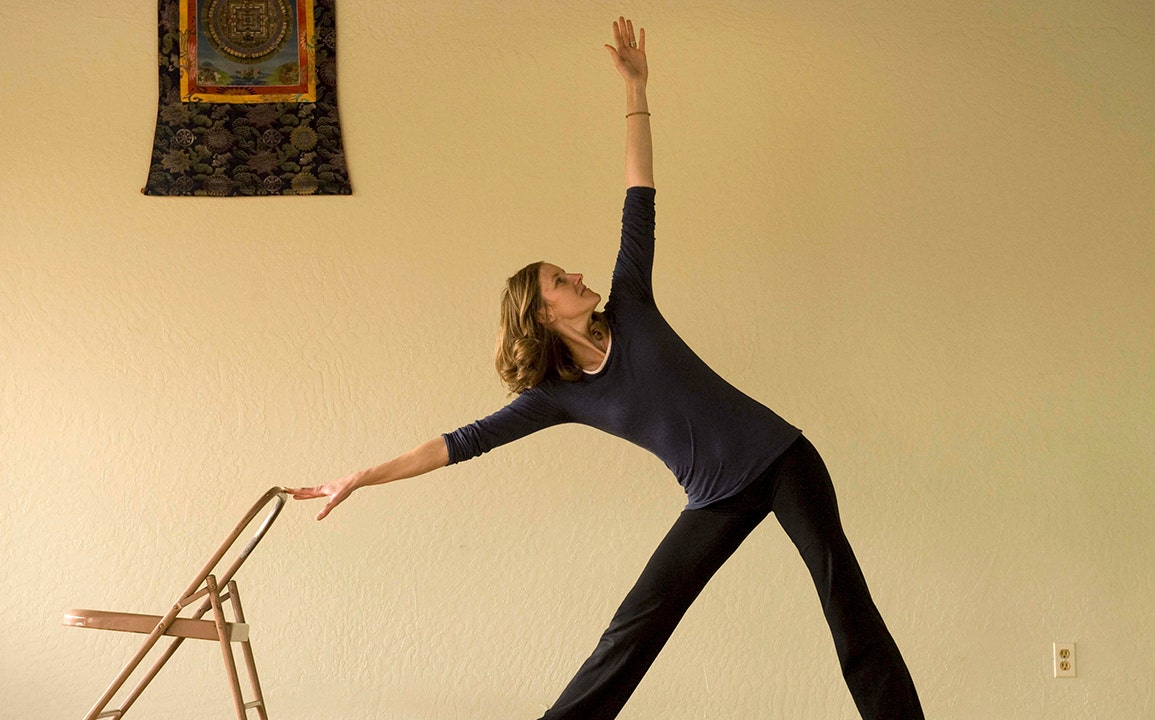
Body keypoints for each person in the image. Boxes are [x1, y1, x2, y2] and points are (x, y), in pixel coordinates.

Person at [287, 17, 926, 720]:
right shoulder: (555, 396)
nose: (578, 274)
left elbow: (638, 192)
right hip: (714, 496)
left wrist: (636, 90)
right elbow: (456, 443)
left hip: (782, 458)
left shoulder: (633, 303)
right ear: (541, 313)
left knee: (845, 605)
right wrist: (362, 476)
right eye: (562, 279)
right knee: (633, 629)